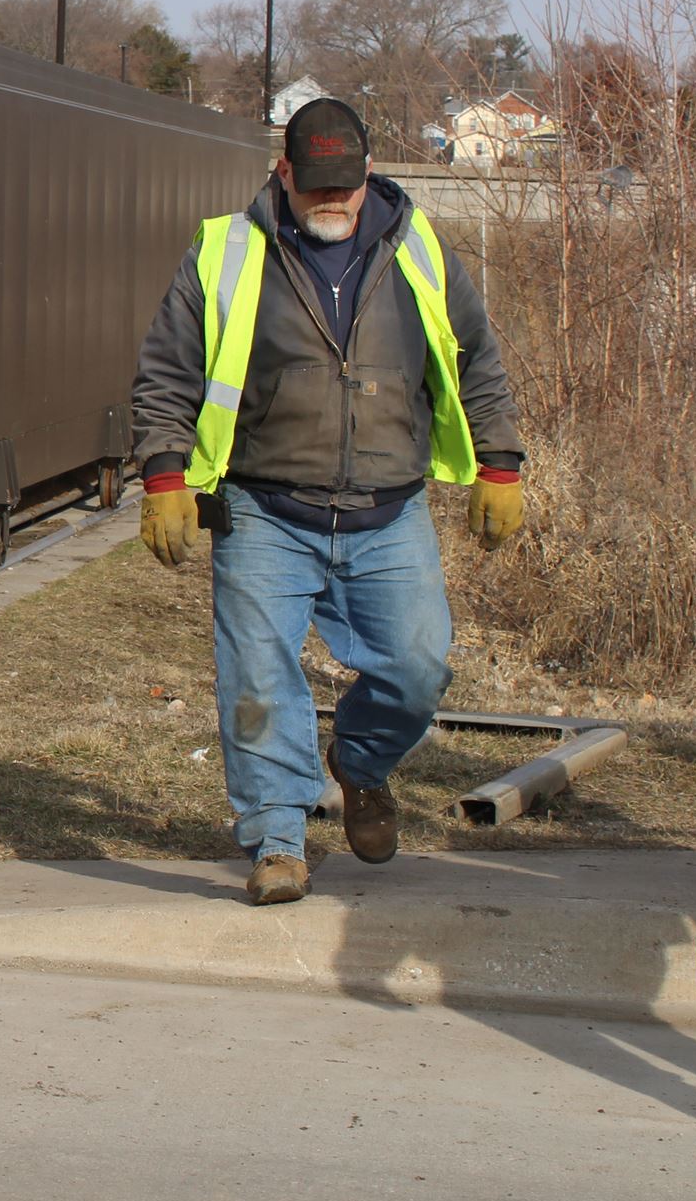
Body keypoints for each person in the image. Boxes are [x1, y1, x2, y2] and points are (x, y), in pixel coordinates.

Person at [130, 97, 526, 905]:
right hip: (265, 507)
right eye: (315, 186)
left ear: (368, 173)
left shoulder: (418, 246)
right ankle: (277, 839)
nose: (332, 201)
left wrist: (502, 462)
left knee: (419, 666)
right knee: (257, 676)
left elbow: (476, 358)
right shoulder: (227, 251)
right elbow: (167, 370)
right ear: (284, 173)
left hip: (390, 508)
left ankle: (363, 760)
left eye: (345, 185)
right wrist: (165, 476)